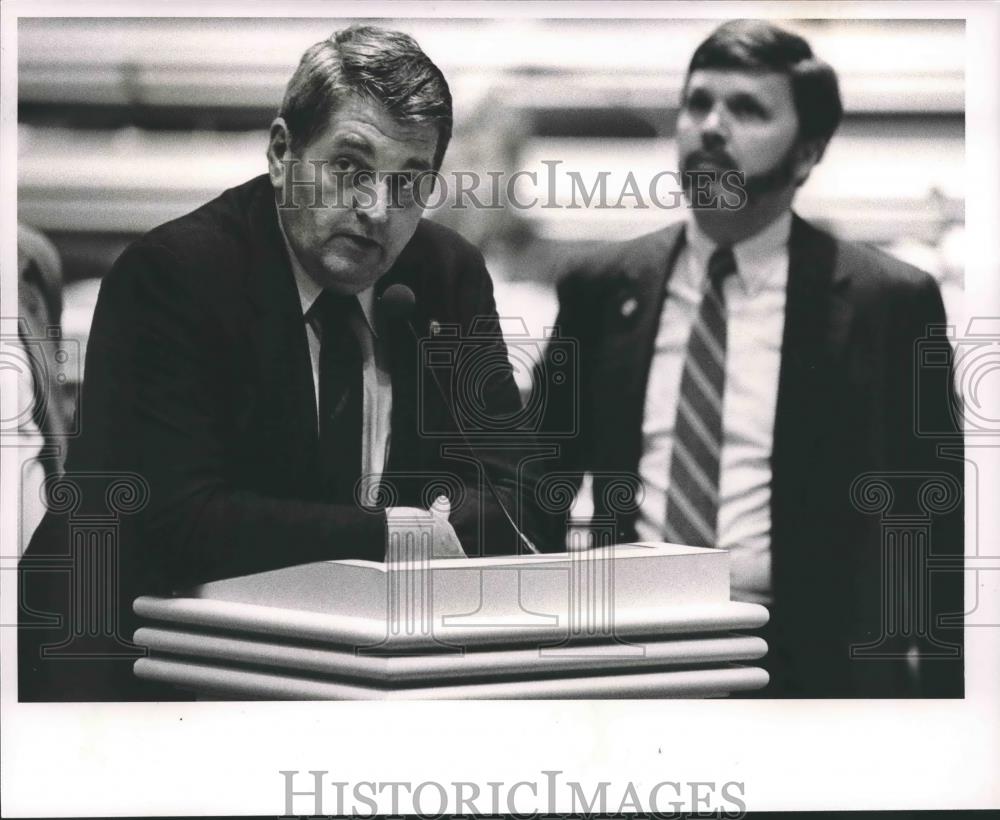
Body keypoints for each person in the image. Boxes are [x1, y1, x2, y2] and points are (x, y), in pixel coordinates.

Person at [20, 25, 543, 701]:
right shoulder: (173, 276)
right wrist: (401, 531)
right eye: (349, 168)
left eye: (409, 184)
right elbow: (177, 519)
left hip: (347, 668)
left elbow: (523, 494)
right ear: (280, 153)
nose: (376, 210)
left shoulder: (447, 276)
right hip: (132, 669)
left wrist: (444, 514)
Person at [535, 20, 963, 697]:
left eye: (748, 109)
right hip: (622, 649)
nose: (711, 126)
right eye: (697, 102)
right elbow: (537, 484)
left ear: (808, 152)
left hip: (815, 664)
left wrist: (940, 696)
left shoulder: (890, 302)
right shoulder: (599, 288)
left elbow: (934, 518)